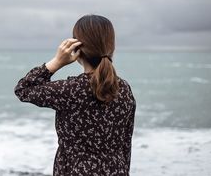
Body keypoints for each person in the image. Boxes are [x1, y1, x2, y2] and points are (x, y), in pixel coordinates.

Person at [14, 14, 136, 176]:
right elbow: (126, 145)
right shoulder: (124, 89)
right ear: (110, 47)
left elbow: (23, 89)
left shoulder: (71, 90)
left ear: (77, 48)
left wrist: (57, 61)